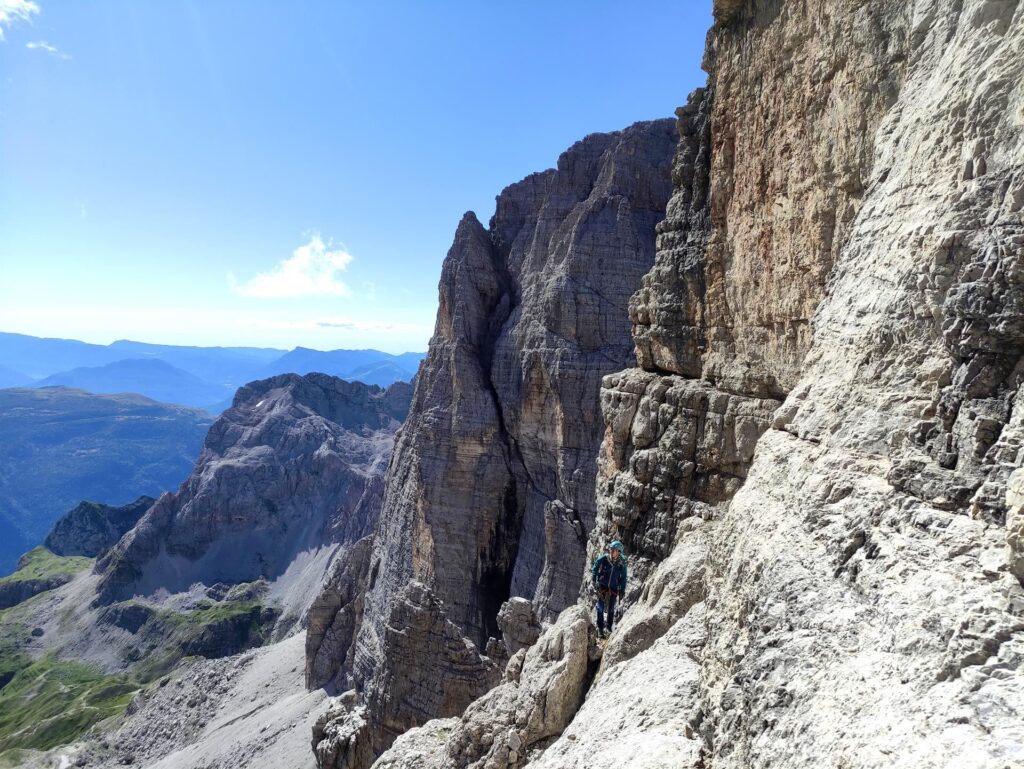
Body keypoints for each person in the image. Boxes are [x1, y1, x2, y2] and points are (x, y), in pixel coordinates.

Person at [591, 540, 627, 638]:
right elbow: (595, 566)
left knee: (611, 609)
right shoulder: (604, 558)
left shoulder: (621, 563)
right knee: (600, 608)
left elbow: (623, 577)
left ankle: (609, 628)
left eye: (614, 550)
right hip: (602, 586)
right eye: (611, 549)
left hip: (614, 587)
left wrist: (622, 589)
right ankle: (600, 629)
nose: (611, 551)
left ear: (619, 552)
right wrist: (594, 579)